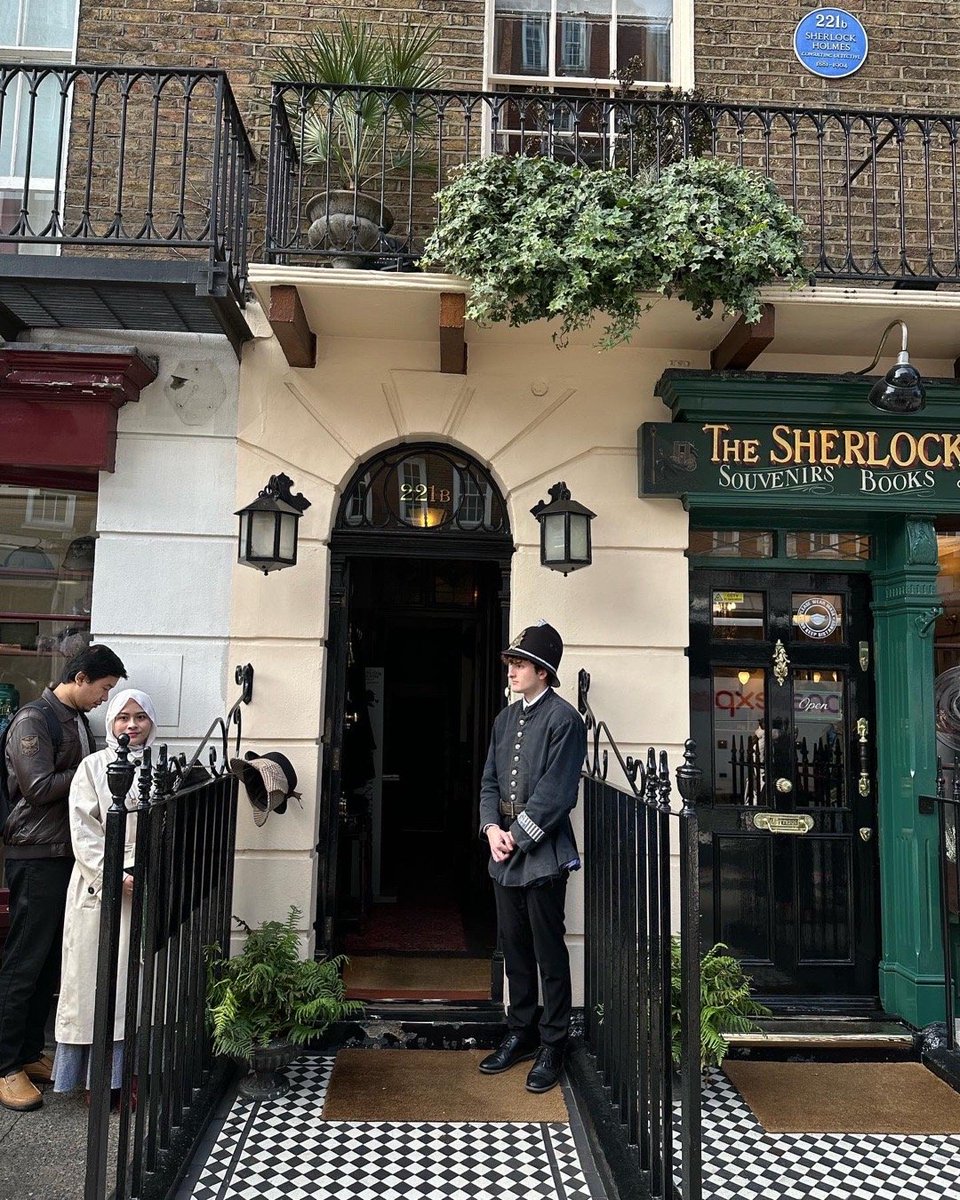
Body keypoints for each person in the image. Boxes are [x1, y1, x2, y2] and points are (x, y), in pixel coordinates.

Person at [0, 644, 127, 1112]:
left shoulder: (78, 720)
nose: (104, 698)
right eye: (103, 688)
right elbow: (36, 788)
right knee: (24, 961)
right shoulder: (35, 719)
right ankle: (5, 1066)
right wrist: (96, 771)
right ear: (80, 677)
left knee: (50, 960)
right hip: (36, 854)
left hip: (63, 855)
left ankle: (29, 1053)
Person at [477, 621, 586, 1094]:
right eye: (511, 663)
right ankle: (520, 1031)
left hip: (542, 852)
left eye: (520, 664)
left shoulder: (566, 720)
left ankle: (553, 1041)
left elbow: (557, 794)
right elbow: (488, 782)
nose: (511, 671)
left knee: (548, 950)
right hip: (503, 848)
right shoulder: (504, 720)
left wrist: (516, 836)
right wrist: (491, 830)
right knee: (514, 948)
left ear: (543, 671)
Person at [52, 688, 157, 1101]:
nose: (132, 725)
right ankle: (95, 1081)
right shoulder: (92, 766)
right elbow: (84, 830)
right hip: (99, 887)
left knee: (135, 987)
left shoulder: (160, 767)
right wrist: (113, 875)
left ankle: (128, 1075)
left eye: (140, 717)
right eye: (123, 717)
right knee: (95, 985)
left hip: (147, 882)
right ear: (111, 722)